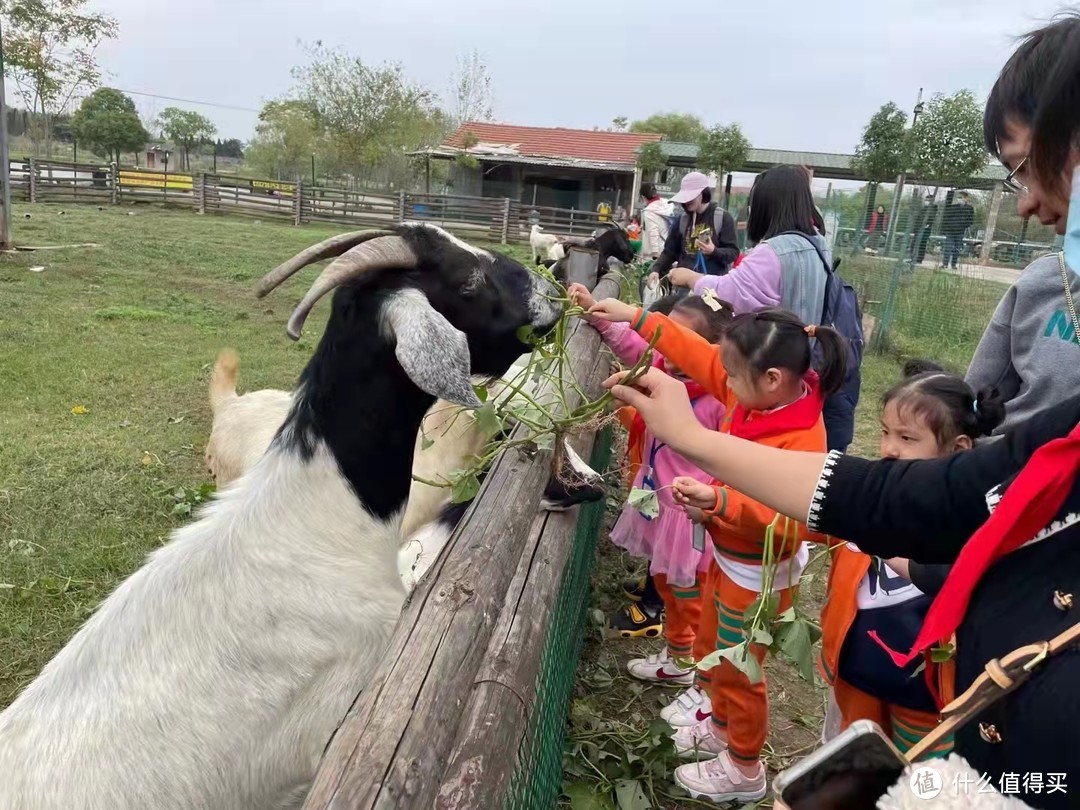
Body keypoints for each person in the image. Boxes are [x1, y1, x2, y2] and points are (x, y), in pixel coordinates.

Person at [600, 14, 1080, 809]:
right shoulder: (1037, 319)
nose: (1027, 205)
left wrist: (714, 479)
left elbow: (879, 504)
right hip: (987, 711)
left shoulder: (785, 400)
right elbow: (956, 492)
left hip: (985, 704)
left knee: (752, 667)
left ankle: (743, 757)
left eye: (1029, 168)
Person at [588, 298, 848, 804]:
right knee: (711, 642)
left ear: (772, 378)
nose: (721, 378)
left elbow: (788, 522)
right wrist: (635, 316)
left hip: (758, 576)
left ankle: (744, 766)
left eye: (731, 371)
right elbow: (693, 350)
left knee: (740, 669)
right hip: (726, 556)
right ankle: (718, 723)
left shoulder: (802, 440)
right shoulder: (752, 391)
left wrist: (721, 500)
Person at [820, 360, 1005, 760]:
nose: (888, 448)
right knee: (849, 764)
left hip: (925, 700)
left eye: (906, 437)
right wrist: (720, 502)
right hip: (855, 676)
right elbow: (811, 517)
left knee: (920, 776)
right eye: (886, 433)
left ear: (958, 450)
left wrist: (885, 545)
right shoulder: (872, 500)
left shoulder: (973, 529)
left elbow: (956, 581)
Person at [571, 285, 732, 678]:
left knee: (686, 591)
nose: (669, 352)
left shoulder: (718, 401)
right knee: (662, 579)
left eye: (684, 343)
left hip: (687, 515)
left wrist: (714, 500)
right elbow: (631, 342)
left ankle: (688, 659)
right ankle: (677, 652)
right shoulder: (659, 368)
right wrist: (596, 313)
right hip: (654, 497)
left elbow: (730, 462)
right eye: (665, 338)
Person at [663, 164, 858, 453]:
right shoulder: (817, 244)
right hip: (802, 358)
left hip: (771, 363)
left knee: (761, 449)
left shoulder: (772, 252)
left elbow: (729, 293)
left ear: (764, 205)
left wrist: (690, 278)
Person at [647, 172, 739, 280]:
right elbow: (670, 251)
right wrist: (656, 270)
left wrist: (714, 251)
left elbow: (733, 253)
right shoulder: (682, 220)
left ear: (702, 194)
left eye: (691, 197)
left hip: (711, 287)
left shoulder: (722, 218)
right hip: (684, 286)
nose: (687, 201)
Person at [640, 183, 675, 262]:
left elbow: (653, 231)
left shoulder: (649, 211)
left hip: (654, 255)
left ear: (643, 197)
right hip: (668, 248)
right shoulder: (668, 205)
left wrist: (655, 253)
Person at [941, 192, 975, 268]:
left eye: (961, 197)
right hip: (950, 231)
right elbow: (946, 218)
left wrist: (963, 226)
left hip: (960, 231)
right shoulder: (953, 207)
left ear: (966, 198)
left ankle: (953, 264)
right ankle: (945, 264)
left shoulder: (969, 209)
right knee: (948, 247)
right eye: (958, 197)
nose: (959, 199)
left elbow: (970, 220)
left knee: (957, 248)